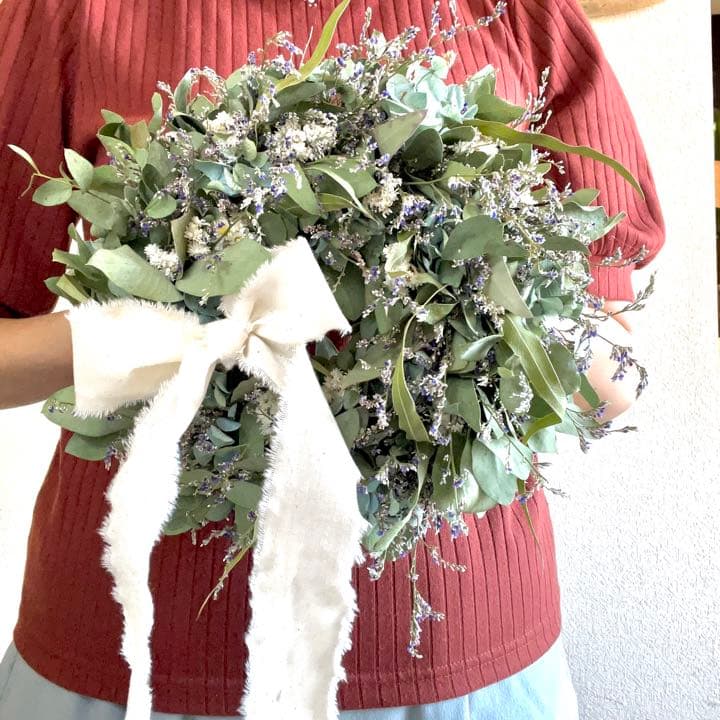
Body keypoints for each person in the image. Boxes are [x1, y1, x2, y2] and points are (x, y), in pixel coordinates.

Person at [0, 0, 664, 718]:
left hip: (457, 650)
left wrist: (419, 317)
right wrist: (151, 336)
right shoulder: (68, 13)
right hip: (141, 650)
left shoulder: (519, 14)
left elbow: (610, 379)